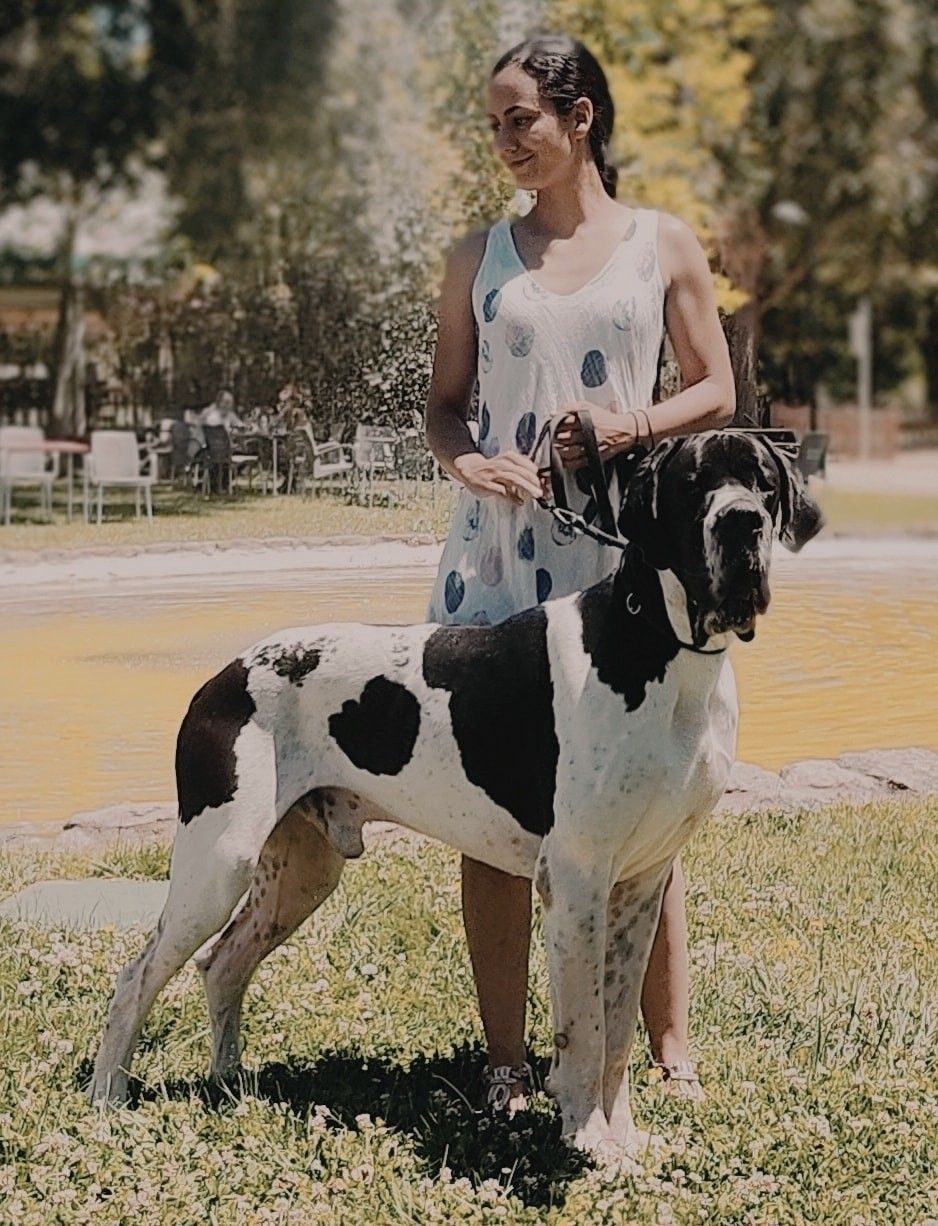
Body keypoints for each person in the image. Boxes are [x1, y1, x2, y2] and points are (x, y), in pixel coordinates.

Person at [424, 33, 736, 1113]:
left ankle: (670, 1048)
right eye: (495, 125)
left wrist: (624, 425)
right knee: (489, 812)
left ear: (579, 116)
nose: (505, 141)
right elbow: (443, 408)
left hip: (621, 564)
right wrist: (468, 460)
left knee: (648, 803)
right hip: (493, 564)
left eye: (521, 119)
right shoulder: (475, 257)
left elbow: (715, 387)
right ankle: (507, 1063)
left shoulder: (662, 244)